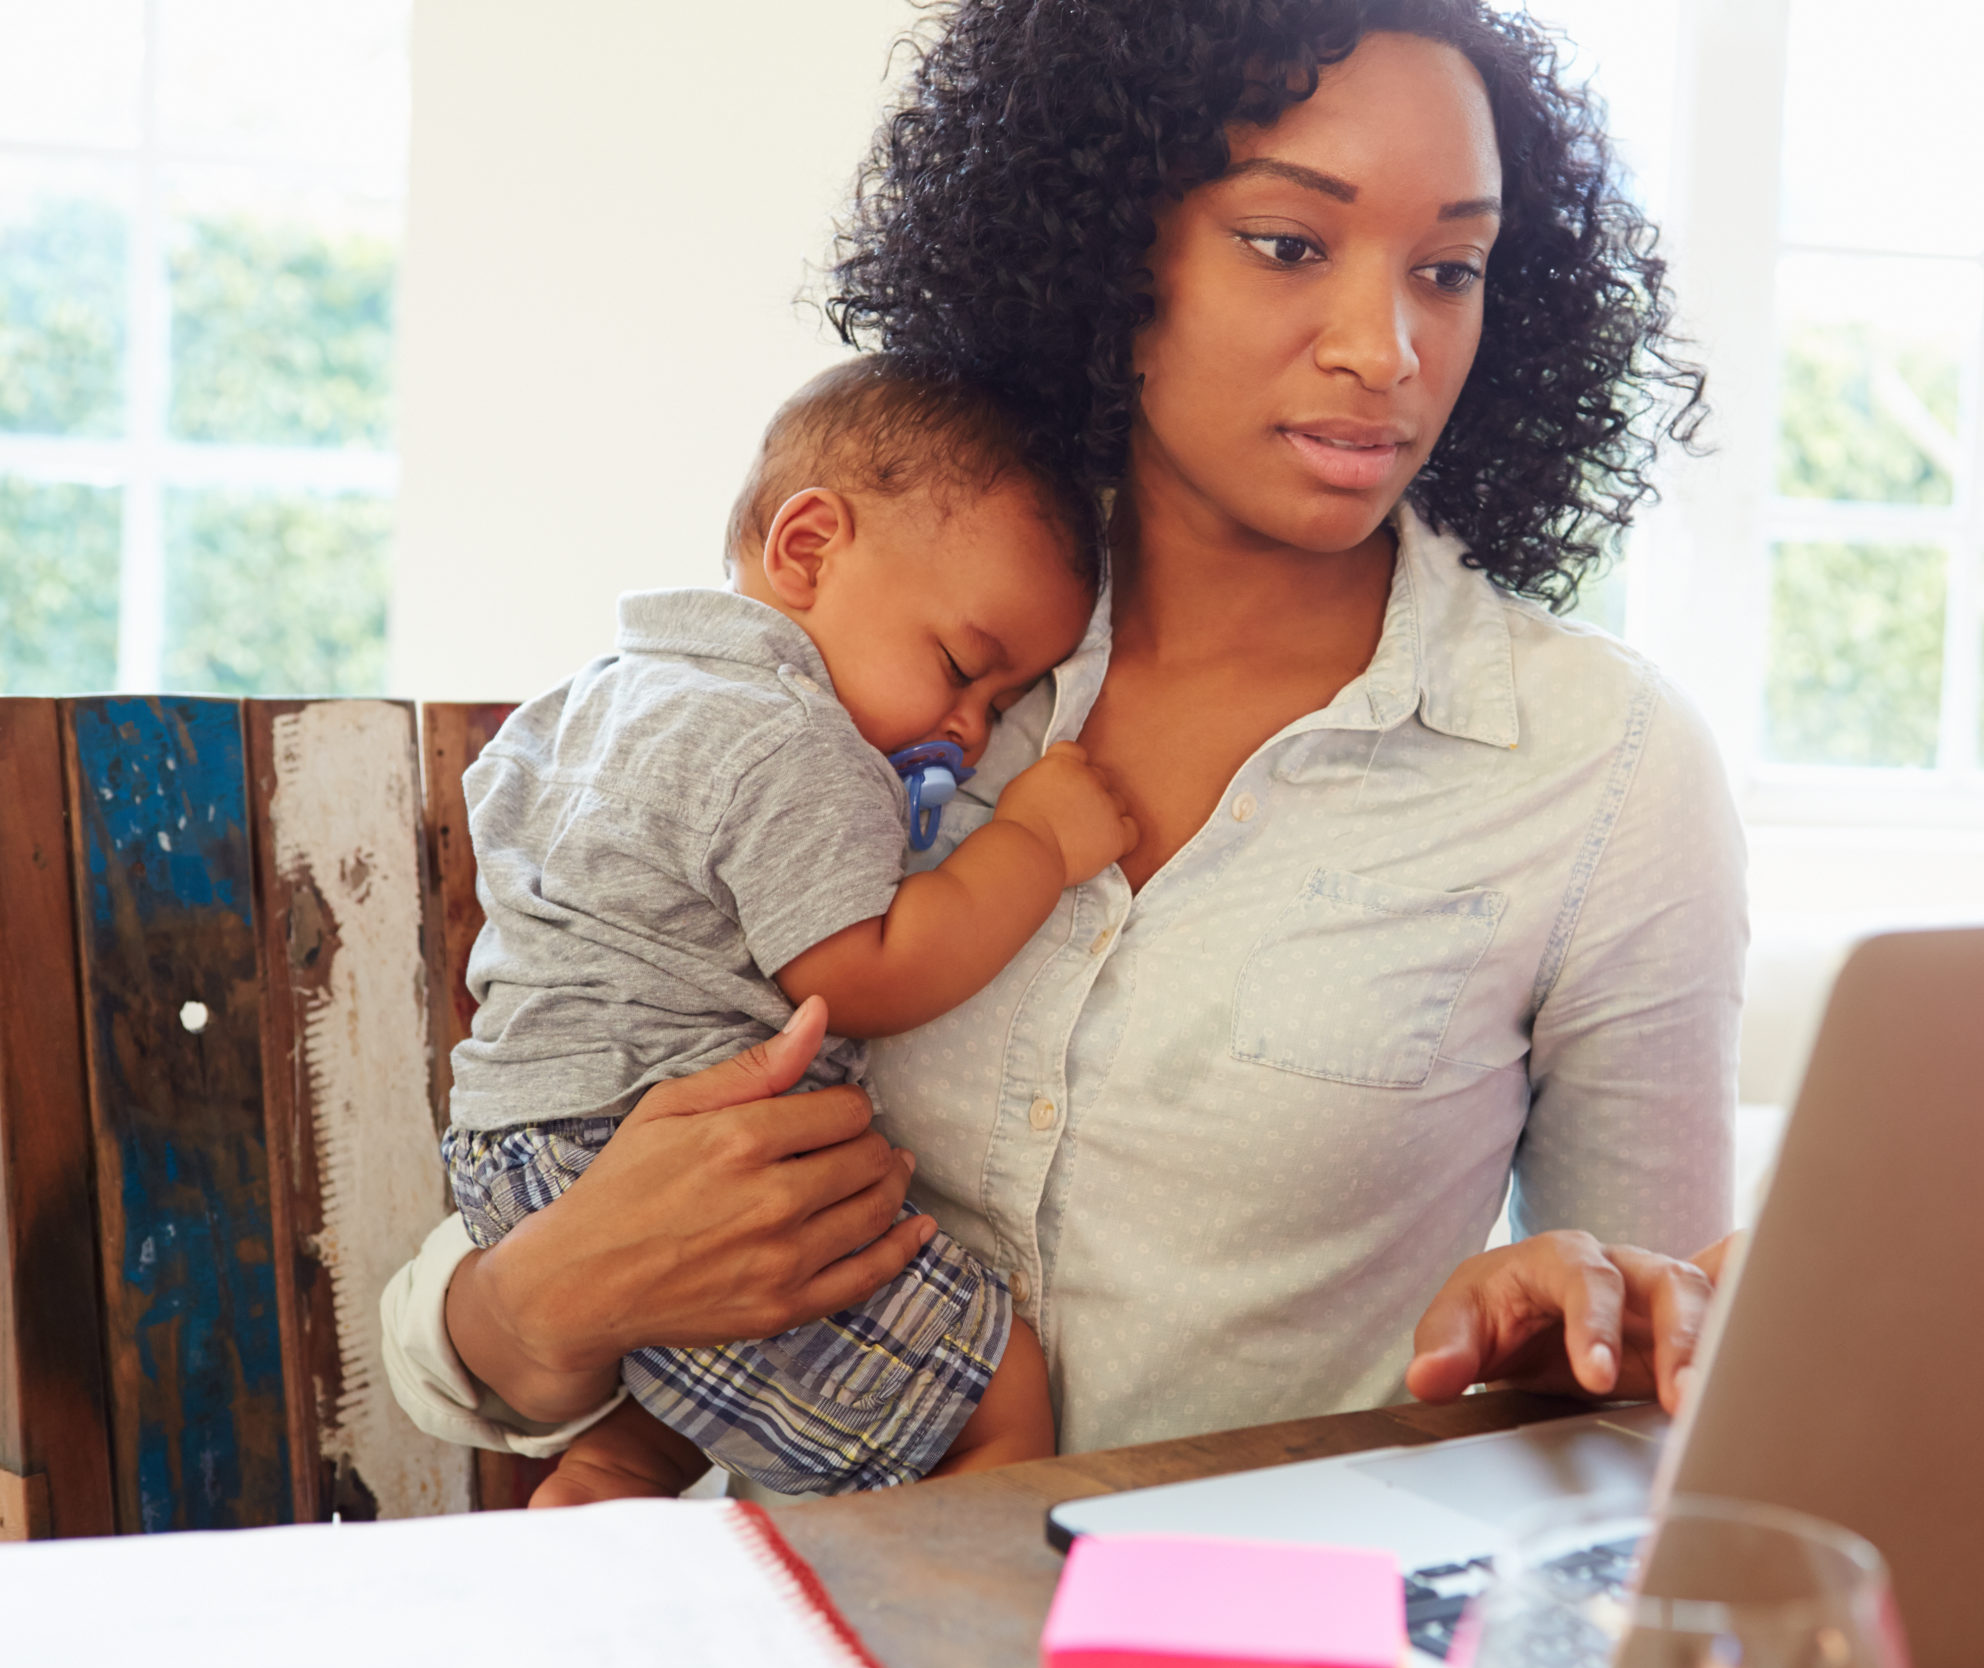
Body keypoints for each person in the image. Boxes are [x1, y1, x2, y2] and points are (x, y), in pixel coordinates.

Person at [381, 0, 1748, 1484]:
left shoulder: (1602, 771)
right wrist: (544, 1302)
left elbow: (1651, 1385)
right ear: (1110, 248)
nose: (1387, 348)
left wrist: (1556, 1348)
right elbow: (505, 1250)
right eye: (1289, 243)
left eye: (1450, 269)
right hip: (796, 1622)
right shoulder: (885, 661)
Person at [436, 357, 1137, 1504]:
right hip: (645, 1151)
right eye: (964, 669)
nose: (967, 729)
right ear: (807, 547)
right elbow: (865, 972)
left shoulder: (597, 695)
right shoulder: (789, 738)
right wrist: (1038, 846)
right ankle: (949, 1651)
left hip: (519, 1148)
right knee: (996, 1392)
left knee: (717, 1380)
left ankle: (613, 1468)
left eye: (1004, 707)